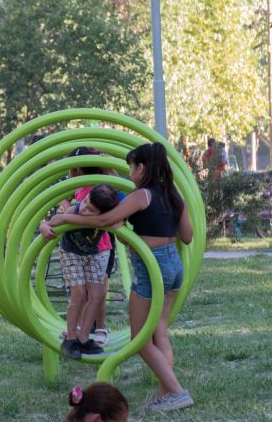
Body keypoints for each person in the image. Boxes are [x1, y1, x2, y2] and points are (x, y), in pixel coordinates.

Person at [46, 143, 194, 412]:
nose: (129, 173)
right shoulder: (175, 195)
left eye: (131, 167)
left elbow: (104, 221)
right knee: (160, 332)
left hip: (152, 268)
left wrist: (65, 219)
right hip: (173, 266)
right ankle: (166, 396)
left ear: (142, 168)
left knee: (139, 339)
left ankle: (177, 392)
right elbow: (187, 236)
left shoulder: (142, 195)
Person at [40, 182, 120, 358]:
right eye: (85, 202)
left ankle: (83, 339)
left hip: (96, 253)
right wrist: (44, 226)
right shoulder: (73, 211)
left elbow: (119, 223)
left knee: (97, 296)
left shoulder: (107, 218)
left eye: (91, 210)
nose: (84, 209)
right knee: (79, 294)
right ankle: (70, 338)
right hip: (71, 253)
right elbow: (53, 222)